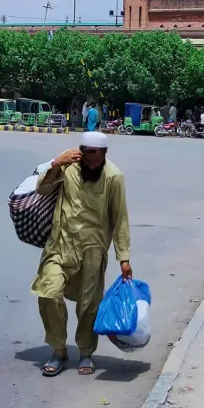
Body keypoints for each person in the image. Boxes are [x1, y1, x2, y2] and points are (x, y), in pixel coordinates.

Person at [31, 132, 132, 377]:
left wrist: (124, 257)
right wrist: (56, 163)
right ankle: (59, 349)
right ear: (81, 153)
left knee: (89, 305)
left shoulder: (113, 176)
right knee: (48, 292)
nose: (93, 165)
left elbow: (120, 218)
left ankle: (86, 352)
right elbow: (42, 189)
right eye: (89, 160)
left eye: (98, 161)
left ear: (104, 155)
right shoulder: (68, 168)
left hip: (93, 249)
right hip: (60, 244)